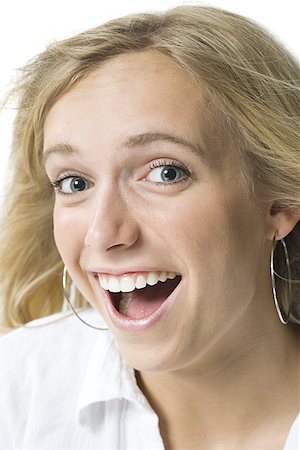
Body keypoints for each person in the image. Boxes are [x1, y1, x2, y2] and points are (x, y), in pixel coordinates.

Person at [0, 5, 299, 450]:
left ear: (279, 203)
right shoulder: (17, 389)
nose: (102, 234)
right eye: (74, 182)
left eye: (166, 173)